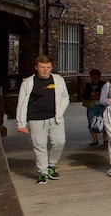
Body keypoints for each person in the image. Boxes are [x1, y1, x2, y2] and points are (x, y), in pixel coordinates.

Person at [16, 55, 70, 185]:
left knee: (59, 142)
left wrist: (61, 111)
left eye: (48, 67)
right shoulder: (28, 83)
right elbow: (22, 103)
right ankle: (43, 172)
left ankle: (51, 165)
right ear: (36, 67)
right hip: (36, 118)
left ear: (51, 68)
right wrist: (21, 123)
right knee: (39, 145)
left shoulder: (57, 80)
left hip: (55, 117)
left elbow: (65, 97)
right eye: (42, 67)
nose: (45, 70)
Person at [82, 69, 106, 145]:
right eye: (93, 77)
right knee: (91, 122)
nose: (94, 78)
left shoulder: (104, 85)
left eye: (96, 77)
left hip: (102, 105)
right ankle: (94, 139)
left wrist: (99, 96)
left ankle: (105, 138)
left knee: (104, 122)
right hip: (92, 105)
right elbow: (85, 95)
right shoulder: (88, 85)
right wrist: (90, 97)